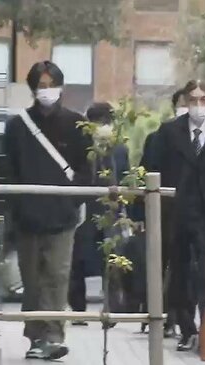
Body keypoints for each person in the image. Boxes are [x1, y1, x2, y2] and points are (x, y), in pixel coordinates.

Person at [0, 61, 93, 360]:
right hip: (27, 218)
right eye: (41, 85)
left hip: (62, 218)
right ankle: (35, 336)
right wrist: (19, 206)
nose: (47, 91)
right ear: (32, 88)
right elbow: (8, 171)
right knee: (32, 279)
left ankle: (54, 336)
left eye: (52, 85)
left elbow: (87, 170)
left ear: (61, 87)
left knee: (57, 275)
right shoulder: (17, 127)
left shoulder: (77, 124)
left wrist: (71, 201)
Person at [142, 80, 205, 351]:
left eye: (203, 99)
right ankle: (185, 328)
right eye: (193, 99)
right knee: (179, 273)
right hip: (176, 211)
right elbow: (152, 168)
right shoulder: (169, 132)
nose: (198, 105)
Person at [68, 102, 130, 326]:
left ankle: (110, 309)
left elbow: (125, 179)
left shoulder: (120, 149)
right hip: (84, 210)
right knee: (77, 261)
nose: (102, 127)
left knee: (112, 261)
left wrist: (125, 212)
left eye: (105, 122)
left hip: (110, 211)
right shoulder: (81, 148)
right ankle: (78, 311)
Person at [135, 88, 188, 336]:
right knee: (159, 264)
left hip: (192, 213)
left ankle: (179, 319)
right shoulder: (158, 137)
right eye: (186, 102)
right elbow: (145, 173)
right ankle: (156, 313)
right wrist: (139, 214)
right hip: (164, 213)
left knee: (183, 269)